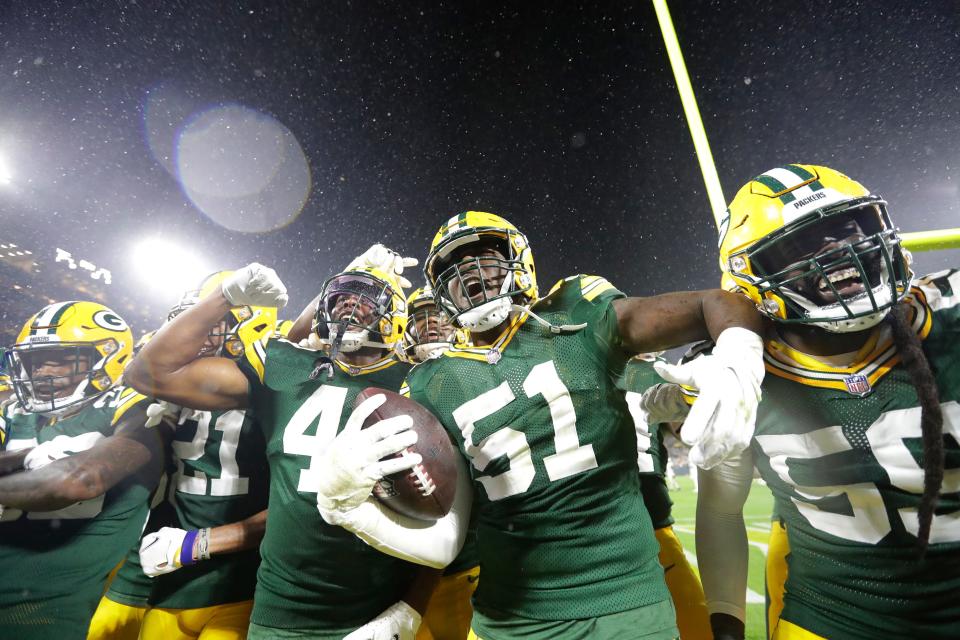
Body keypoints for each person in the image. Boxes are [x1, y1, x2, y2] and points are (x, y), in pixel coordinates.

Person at [317, 211, 766, 639]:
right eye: (454, 270)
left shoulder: (577, 311)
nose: (471, 274)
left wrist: (739, 354)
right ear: (439, 292)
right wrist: (352, 511)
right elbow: (447, 541)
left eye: (486, 258)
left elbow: (716, 301)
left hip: (625, 602)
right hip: (508, 620)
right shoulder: (432, 382)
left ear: (520, 261)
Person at [654, 164, 960, 639]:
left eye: (850, 227)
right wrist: (726, 623)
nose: (841, 249)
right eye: (804, 244)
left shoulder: (950, 315)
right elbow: (721, 510)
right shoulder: (734, 375)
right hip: (834, 617)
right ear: (752, 278)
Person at [126, 263, 470, 640]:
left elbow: (444, 513)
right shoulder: (287, 367)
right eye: (339, 297)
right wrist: (226, 294)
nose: (348, 306)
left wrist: (409, 609)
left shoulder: (423, 380)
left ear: (397, 315)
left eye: (366, 297)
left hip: (377, 609)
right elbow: (149, 373)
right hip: (278, 611)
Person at [90, 273, 275, 640]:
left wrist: (201, 543)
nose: (192, 335)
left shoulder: (276, 385)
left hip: (239, 576)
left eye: (212, 324)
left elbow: (297, 502)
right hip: (157, 565)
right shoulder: (159, 380)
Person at [0, 301, 172, 640]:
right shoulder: (14, 410)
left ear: (106, 359)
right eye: (35, 361)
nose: (43, 372)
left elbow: (79, 480)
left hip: (51, 612)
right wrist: (25, 457)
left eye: (62, 359)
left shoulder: (137, 406)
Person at [620, 352, 711, 640]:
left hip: (652, 518)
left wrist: (697, 400)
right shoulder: (577, 362)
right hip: (602, 519)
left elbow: (689, 431)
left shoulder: (653, 370)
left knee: (697, 625)